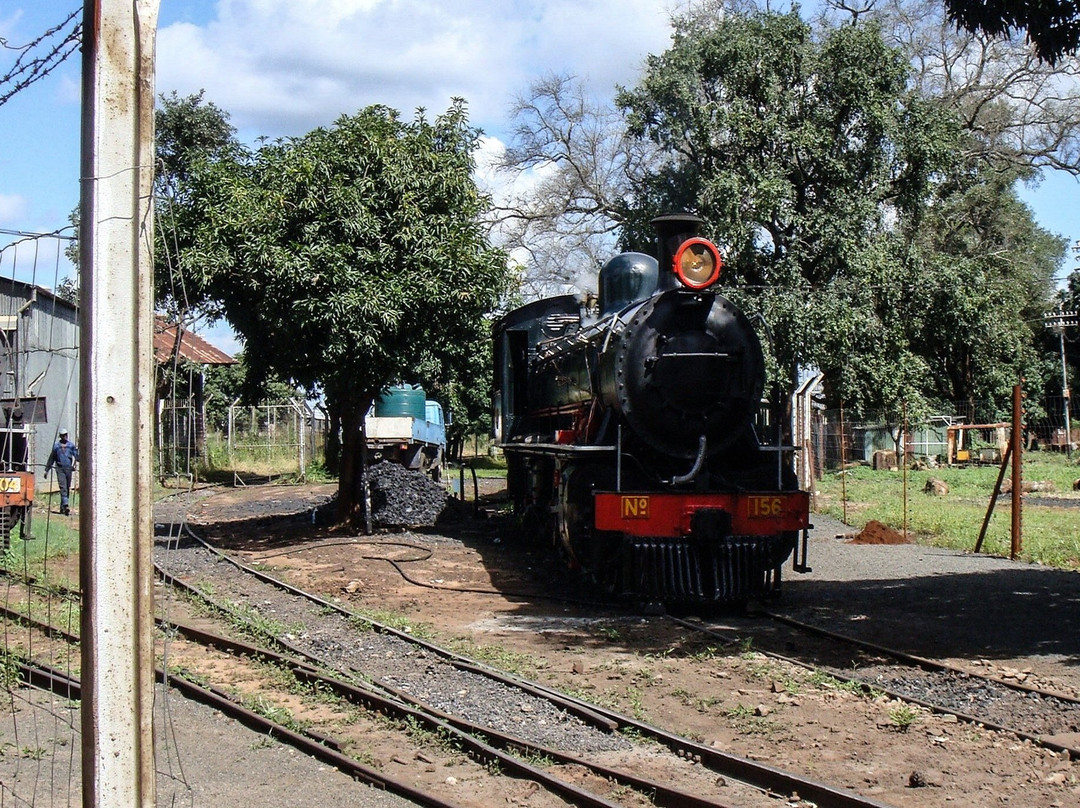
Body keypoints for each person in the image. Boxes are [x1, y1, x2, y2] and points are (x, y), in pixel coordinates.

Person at [45, 428, 78, 515]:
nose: (65, 436)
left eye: (66, 435)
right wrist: (46, 470)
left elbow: (77, 457)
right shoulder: (56, 447)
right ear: (60, 436)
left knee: (67, 488)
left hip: (68, 469)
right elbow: (51, 458)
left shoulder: (71, 446)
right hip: (60, 469)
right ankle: (66, 505)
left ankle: (62, 507)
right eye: (63, 435)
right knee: (63, 487)